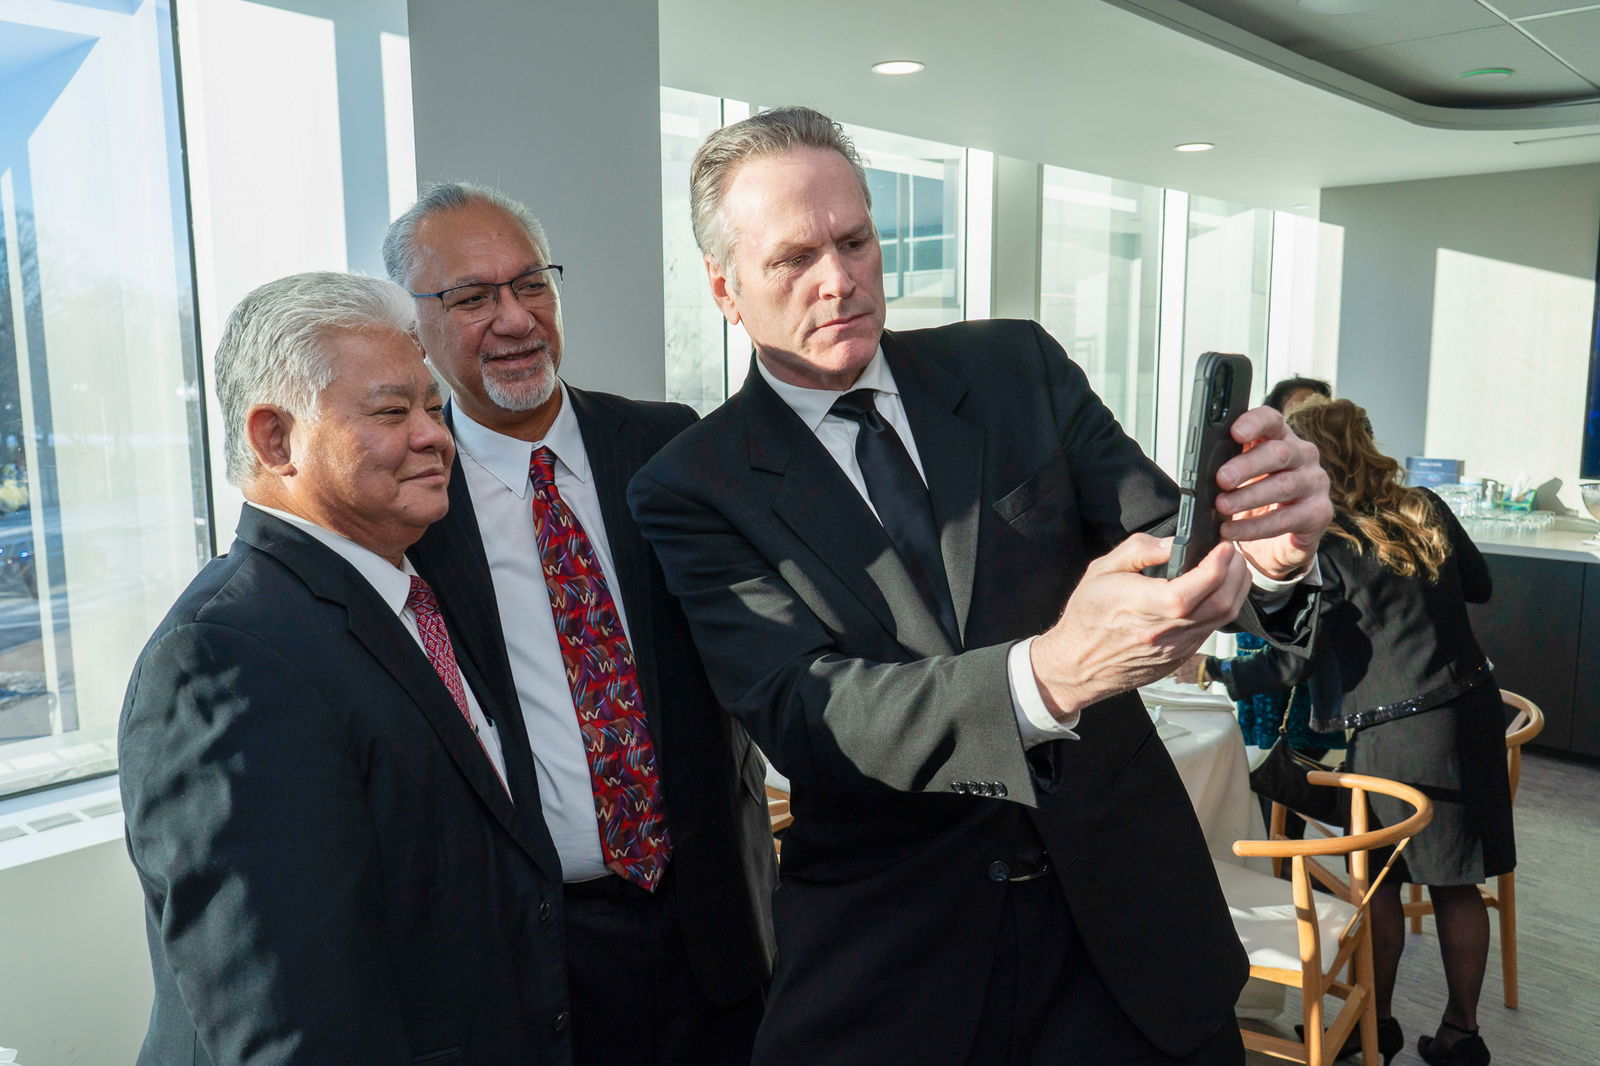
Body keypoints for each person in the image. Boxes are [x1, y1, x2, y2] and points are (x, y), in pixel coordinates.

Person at [627, 106, 1334, 1066]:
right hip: (899, 971)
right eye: (794, 259)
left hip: (1133, 941)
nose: (839, 281)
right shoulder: (690, 485)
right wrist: (1046, 678)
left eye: (856, 240)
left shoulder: (1014, 369)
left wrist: (1269, 556)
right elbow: (804, 711)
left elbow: (1163, 538)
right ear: (724, 287)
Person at [119, 272, 571, 1064]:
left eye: (434, 409)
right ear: (274, 439)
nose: (436, 435)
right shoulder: (222, 658)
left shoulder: (416, 592)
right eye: (393, 411)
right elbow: (289, 1018)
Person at [382, 182, 775, 1066]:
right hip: (534, 953)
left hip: (714, 925)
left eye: (532, 285)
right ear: (415, 329)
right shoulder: (409, 508)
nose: (516, 319)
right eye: (474, 298)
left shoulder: (670, 448)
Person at [1258, 397, 1514, 1066]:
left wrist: (1216, 674)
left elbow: (1295, 660)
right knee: (1457, 884)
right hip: (1471, 712)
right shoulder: (1423, 506)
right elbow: (1480, 586)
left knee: (1379, 885)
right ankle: (1462, 1036)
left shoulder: (1329, 541)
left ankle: (1378, 1026)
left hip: (1400, 737)